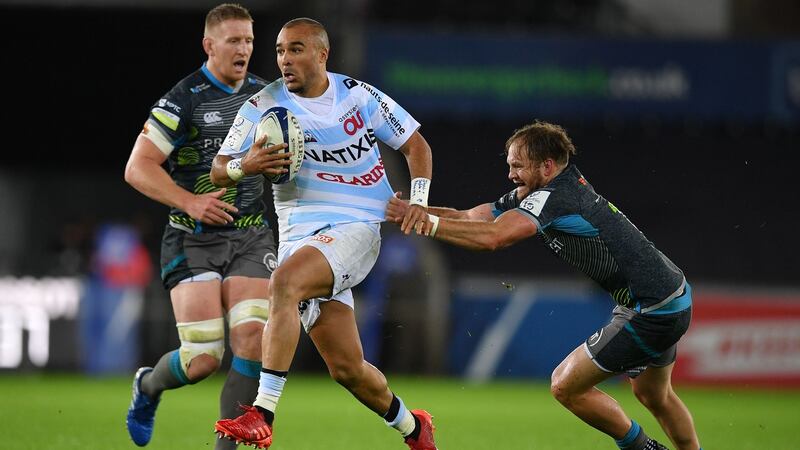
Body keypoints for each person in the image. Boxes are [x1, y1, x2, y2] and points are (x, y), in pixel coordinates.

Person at [387, 120, 702, 450]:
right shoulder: (545, 189)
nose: (510, 174)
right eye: (510, 165)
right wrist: (414, 211)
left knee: (565, 386)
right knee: (655, 395)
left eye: (518, 166)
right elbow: (472, 218)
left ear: (547, 166)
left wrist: (426, 224)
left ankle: (644, 449)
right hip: (671, 294)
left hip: (652, 307)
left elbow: (495, 237)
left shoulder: (556, 196)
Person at [211, 18, 438, 450]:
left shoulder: (357, 95)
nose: (284, 60)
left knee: (284, 283)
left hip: (356, 228)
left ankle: (262, 414)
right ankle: (414, 429)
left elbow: (416, 146)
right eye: (279, 51)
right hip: (301, 239)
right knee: (348, 369)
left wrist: (420, 202)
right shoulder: (263, 107)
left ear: (321, 54)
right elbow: (219, 169)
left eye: (295, 49)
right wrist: (248, 165)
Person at [123, 4, 288, 448]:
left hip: (251, 234)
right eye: (234, 40)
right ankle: (148, 386)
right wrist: (190, 201)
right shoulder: (183, 99)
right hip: (191, 237)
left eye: (250, 41)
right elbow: (138, 167)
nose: (245, 49)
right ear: (209, 45)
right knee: (202, 360)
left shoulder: (267, 98)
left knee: (252, 339)